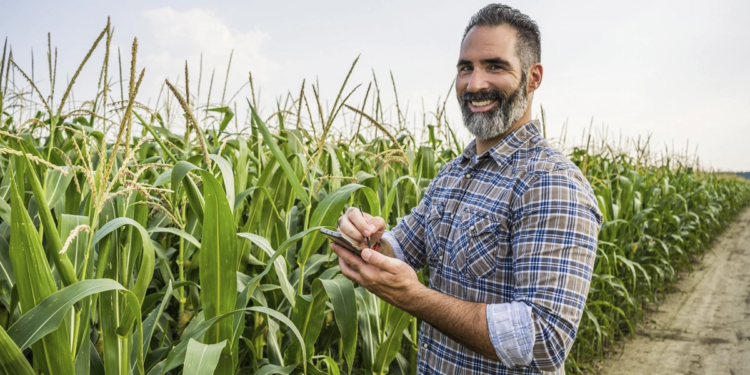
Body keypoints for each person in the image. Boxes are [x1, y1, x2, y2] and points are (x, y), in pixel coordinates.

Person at [332, 3, 603, 374]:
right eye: (465, 68)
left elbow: (544, 338)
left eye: (495, 66)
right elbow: (401, 248)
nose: (475, 85)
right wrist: (364, 240)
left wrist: (416, 298)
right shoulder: (452, 175)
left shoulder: (551, 182)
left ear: (533, 77)